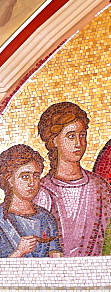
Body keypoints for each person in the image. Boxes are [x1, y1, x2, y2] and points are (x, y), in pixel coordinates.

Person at [34, 101, 111, 257]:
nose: (79, 143)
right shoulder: (42, 189)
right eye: (71, 136)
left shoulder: (99, 186)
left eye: (82, 135)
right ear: (54, 140)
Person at [0, 144, 62, 258]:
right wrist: (19, 252)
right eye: (25, 176)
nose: (32, 183)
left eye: (35, 176)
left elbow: (57, 261)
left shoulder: (47, 218)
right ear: (9, 180)